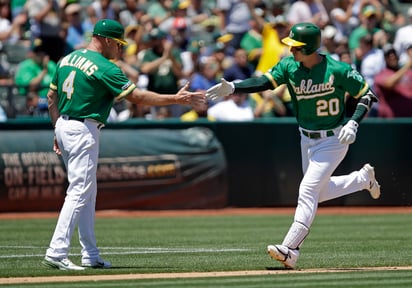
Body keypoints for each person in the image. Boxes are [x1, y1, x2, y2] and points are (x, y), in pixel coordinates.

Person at [206, 22, 381, 269]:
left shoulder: (337, 69)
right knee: (319, 191)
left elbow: (367, 94)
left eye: (296, 47)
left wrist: (354, 122)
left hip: (334, 138)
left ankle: (290, 249)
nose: (291, 51)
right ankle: (362, 180)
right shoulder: (290, 66)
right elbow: (265, 82)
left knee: (307, 190)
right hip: (306, 138)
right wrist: (235, 86)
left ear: (309, 47)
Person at [43, 19, 205, 271]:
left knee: (87, 191)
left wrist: (57, 129)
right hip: (83, 127)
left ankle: (90, 253)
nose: (120, 49)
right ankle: (57, 250)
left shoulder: (67, 58)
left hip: (64, 124)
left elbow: (51, 96)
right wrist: (176, 98)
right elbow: (137, 96)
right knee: (79, 190)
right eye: (118, 44)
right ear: (107, 40)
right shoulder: (105, 67)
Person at [374, 44, 412, 117]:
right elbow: (389, 83)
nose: (392, 56)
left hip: (409, 121)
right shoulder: (381, 74)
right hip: (392, 123)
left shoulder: (409, 73)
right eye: (388, 55)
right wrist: (409, 64)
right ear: (385, 58)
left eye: (394, 53)